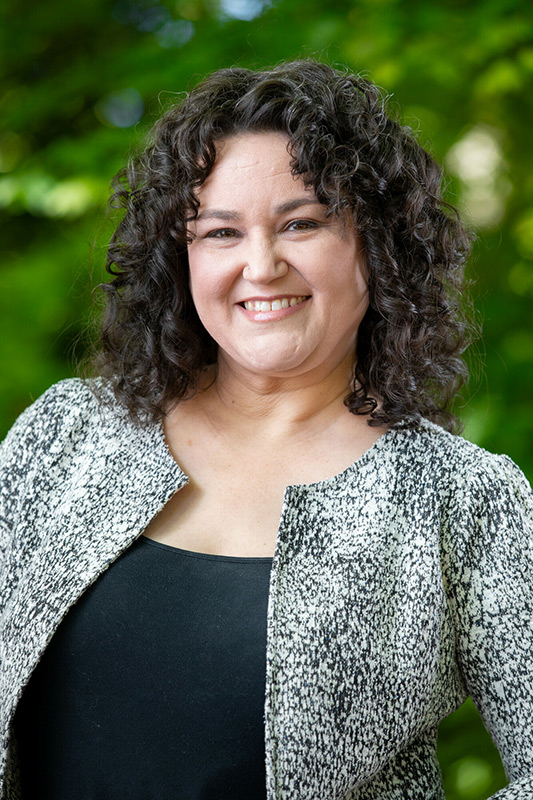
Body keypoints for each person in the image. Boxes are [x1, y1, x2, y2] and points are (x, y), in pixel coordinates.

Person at [0, 59, 531, 800]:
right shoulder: (62, 436)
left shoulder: (462, 500)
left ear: (377, 245)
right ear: (178, 257)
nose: (260, 264)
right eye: (220, 232)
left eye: (301, 223)